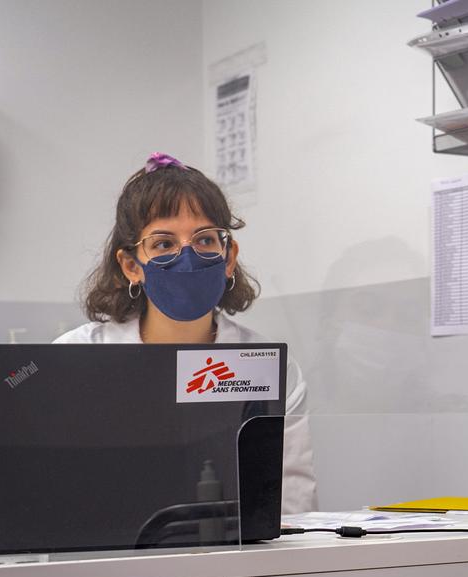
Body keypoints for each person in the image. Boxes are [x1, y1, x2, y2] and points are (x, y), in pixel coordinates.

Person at [55, 152, 316, 514]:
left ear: (228, 257)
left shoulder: (271, 368)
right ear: (132, 265)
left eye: (205, 240)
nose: (188, 256)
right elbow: (18, 495)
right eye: (164, 244)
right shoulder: (73, 358)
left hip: (233, 565)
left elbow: (292, 505)